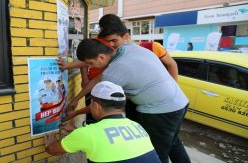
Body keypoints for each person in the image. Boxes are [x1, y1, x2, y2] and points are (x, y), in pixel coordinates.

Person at [69, 19, 190, 163]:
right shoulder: (126, 49)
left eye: (90, 63)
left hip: (159, 111)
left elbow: (101, 106)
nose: (90, 66)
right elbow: (96, 80)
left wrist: (75, 113)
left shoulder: (114, 72)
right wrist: (76, 99)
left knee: (157, 153)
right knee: (173, 143)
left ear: (101, 56)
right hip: (179, 102)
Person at [44, 81, 161, 163]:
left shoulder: (87, 134)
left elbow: (53, 150)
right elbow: (108, 139)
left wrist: (50, 144)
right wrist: (76, 131)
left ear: (96, 106)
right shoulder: (136, 126)